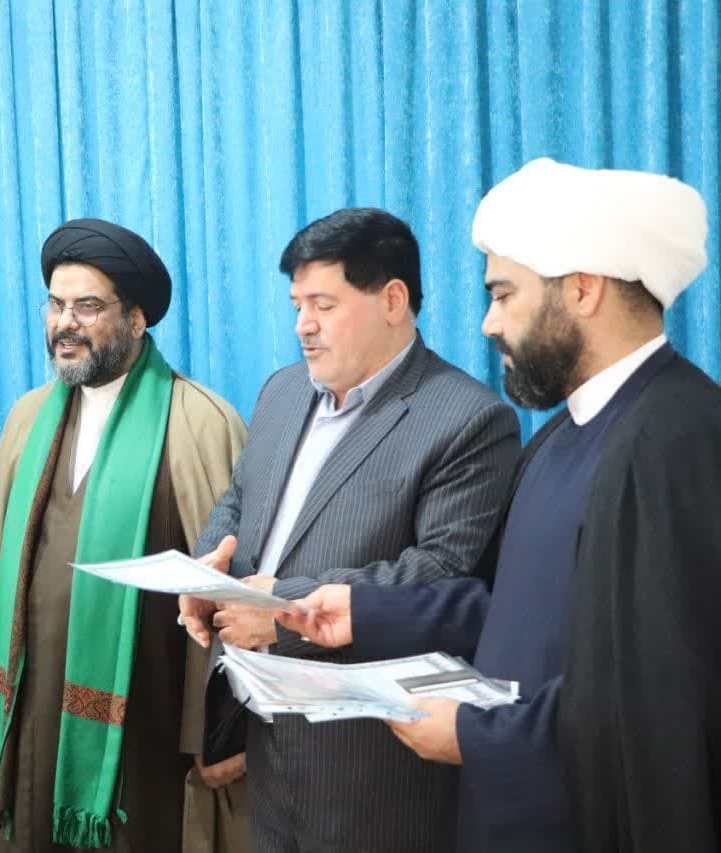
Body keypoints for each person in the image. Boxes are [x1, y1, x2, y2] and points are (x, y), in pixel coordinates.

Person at [278, 159, 718, 853]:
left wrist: (476, 736)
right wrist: (362, 612)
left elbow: (656, 698)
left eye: (504, 294)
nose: (488, 323)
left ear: (583, 289)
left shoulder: (675, 442)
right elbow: (506, 605)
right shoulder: (559, 438)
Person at [180, 208, 520, 853]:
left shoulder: (468, 419)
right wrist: (207, 572)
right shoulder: (283, 391)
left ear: (392, 300)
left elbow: (441, 574)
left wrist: (279, 611)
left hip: (372, 761)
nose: (303, 325)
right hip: (266, 741)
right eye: (297, 305)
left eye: (323, 304)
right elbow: (239, 500)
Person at [0, 218, 247, 851]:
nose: (65, 323)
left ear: (136, 320)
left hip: (143, 718)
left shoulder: (200, 422)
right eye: (56, 305)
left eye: (87, 306)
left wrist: (218, 728)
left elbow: (232, 588)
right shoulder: (27, 417)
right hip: (26, 701)